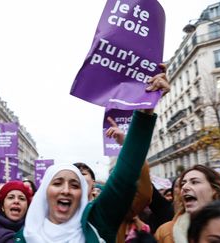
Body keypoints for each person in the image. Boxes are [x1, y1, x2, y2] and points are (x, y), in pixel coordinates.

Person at [14, 67, 170, 242]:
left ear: (83, 195)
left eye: (75, 185)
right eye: (57, 183)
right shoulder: (21, 238)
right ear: (44, 191)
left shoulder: (97, 224)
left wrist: (145, 107)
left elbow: (124, 176)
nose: (66, 190)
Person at [155, 165, 220, 242]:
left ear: (215, 189)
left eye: (194, 182)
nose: (184, 187)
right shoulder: (165, 232)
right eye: (183, 184)